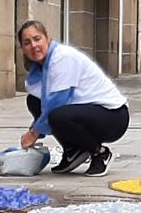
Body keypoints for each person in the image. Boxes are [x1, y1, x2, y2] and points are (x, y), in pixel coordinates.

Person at [17, 20, 130, 174]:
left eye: (37, 39)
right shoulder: (39, 70)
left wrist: (34, 133)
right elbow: (43, 103)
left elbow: (56, 104)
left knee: (57, 115)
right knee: (33, 100)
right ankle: (73, 150)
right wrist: (35, 128)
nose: (34, 46)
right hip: (88, 112)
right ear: (23, 49)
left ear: (48, 39)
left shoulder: (62, 58)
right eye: (27, 43)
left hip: (113, 116)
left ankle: (100, 153)